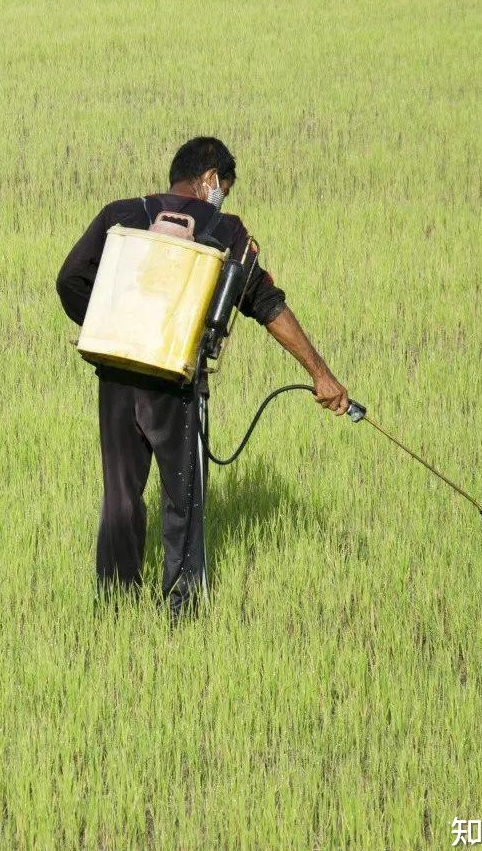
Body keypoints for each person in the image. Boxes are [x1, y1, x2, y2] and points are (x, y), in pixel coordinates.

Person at [56, 137, 349, 621]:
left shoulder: (120, 214)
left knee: (121, 497)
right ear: (210, 179)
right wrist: (322, 375)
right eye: (224, 188)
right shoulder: (226, 230)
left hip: (118, 374)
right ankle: (183, 614)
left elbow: (69, 278)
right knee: (184, 499)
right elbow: (268, 305)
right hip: (176, 382)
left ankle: (113, 608)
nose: (223, 198)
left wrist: (109, 326)